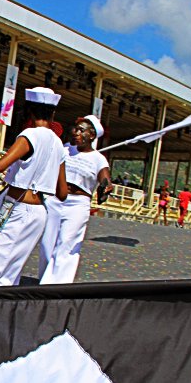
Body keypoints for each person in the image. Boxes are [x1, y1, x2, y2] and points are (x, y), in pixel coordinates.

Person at [0, 87, 68, 287]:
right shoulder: (59, 144)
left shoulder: (30, 135)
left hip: (18, 207)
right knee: (10, 272)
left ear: (30, 112)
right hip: (38, 212)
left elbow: (1, 165)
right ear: (52, 114)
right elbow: (62, 193)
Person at [39, 115, 111, 284]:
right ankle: (46, 279)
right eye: (75, 129)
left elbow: (105, 178)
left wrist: (105, 187)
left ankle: (56, 285)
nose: (75, 132)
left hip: (78, 205)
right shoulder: (64, 150)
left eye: (81, 130)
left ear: (92, 136)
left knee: (67, 244)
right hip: (55, 200)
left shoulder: (98, 159)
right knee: (46, 245)